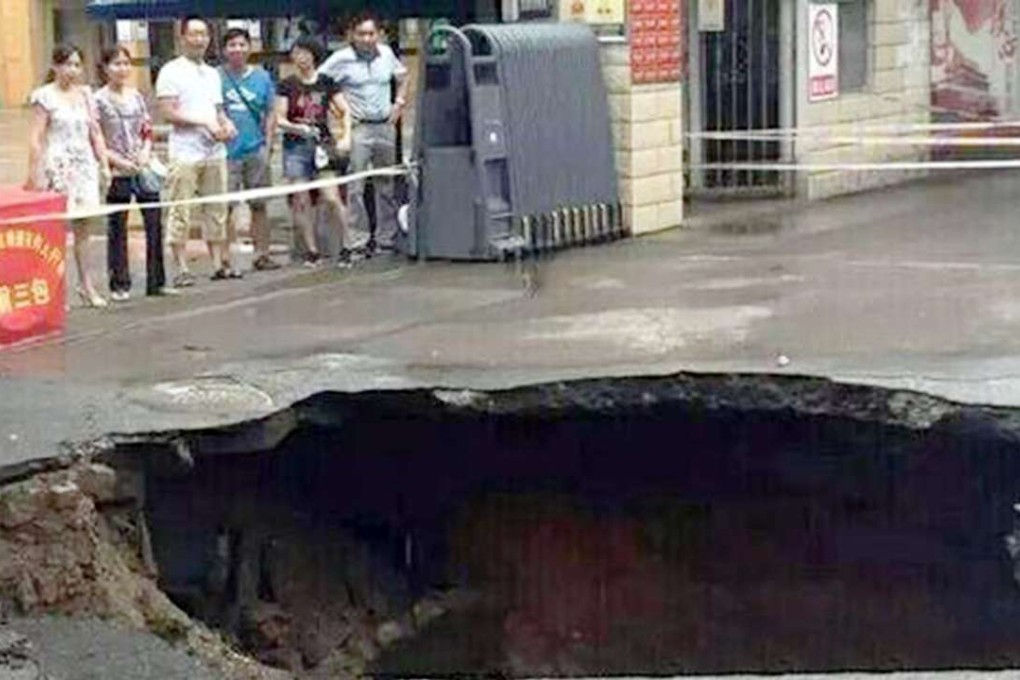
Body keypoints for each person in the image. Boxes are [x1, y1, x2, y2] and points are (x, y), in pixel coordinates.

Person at [25, 44, 111, 308]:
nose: (72, 70)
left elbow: (95, 131)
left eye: (76, 65)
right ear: (55, 66)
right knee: (56, 231)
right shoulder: (44, 96)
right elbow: (37, 137)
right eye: (67, 64)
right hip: (58, 166)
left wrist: (104, 163)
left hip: (84, 165)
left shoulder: (86, 94)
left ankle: (86, 284)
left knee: (84, 229)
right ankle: (55, 287)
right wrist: (34, 173)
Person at [156, 16, 239, 287]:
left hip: (214, 151)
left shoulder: (213, 73)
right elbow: (168, 112)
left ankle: (218, 263)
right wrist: (202, 123)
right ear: (182, 38)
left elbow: (218, 110)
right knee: (180, 209)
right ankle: (181, 268)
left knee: (216, 209)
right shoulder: (170, 71)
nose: (199, 39)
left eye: (203, 34)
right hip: (185, 152)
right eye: (193, 34)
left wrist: (227, 125)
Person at [319, 11, 408, 256]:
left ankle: (385, 239)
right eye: (361, 34)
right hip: (358, 127)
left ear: (378, 35)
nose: (367, 38)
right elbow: (320, 82)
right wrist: (339, 111)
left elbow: (403, 77)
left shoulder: (387, 54)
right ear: (352, 35)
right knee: (355, 185)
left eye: (371, 33)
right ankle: (357, 241)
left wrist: (399, 104)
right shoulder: (341, 58)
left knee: (386, 184)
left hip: (384, 125)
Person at [95, 45, 175, 300]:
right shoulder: (98, 100)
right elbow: (95, 138)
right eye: (116, 64)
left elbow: (147, 130)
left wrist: (145, 152)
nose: (122, 69)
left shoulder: (136, 96)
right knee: (118, 227)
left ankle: (157, 281)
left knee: (154, 222)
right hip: (117, 172)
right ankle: (119, 283)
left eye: (126, 63)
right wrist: (115, 161)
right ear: (105, 68)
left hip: (142, 168)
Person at [275, 36, 351, 267]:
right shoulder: (287, 85)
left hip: (322, 144)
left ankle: (346, 245)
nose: (302, 58)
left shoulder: (327, 82)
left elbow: (344, 110)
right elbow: (279, 118)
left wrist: (345, 136)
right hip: (295, 146)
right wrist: (297, 127)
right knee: (301, 199)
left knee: (332, 197)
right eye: (298, 53)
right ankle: (311, 249)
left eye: (307, 53)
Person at [219, 27, 280, 272]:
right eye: (232, 45)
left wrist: (268, 144)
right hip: (226, 151)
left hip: (255, 149)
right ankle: (225, 259)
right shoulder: (217, 77)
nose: (237, 49)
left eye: (242, 44)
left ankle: (262, 254)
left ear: (250, 47)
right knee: (226, 207)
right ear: (224, 50)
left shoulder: (262, 77)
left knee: (259, 205)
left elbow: (271, 112)